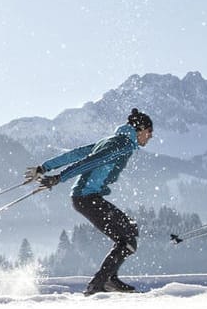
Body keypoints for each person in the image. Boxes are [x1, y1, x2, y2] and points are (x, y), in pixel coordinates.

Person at [27, 108, 155, 294]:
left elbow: (77, 153)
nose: (150, 137)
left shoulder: (111, 141)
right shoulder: (123, 144)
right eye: (149, 132)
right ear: (140, 129)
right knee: (127, 238)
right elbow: (91, 161)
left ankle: (107, 279)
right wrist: (59, 178)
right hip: (86, 198)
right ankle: (100, 284)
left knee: (129, 231)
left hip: (87, 197)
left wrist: (44, 167)